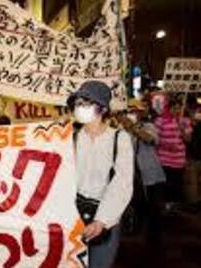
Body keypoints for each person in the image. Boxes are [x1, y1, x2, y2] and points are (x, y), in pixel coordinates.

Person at [67, 81, 134, 268]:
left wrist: (101, 221)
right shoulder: (71, 137)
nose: (80, 108)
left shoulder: (119, 139)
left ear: (102, 109)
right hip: (73, 214)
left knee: (99, 264)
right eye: (78, 104)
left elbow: (122, 182)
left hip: (105, 215)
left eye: (86, 103)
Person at [120, 104, 166, 248]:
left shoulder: (148, 126)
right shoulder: (122, 130)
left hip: (150, 173)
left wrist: (133, 128)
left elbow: (150, 140)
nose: (133, 114)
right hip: (133, 175)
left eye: (136, 112)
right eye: (130, 112)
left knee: (154, 207)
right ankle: (136, 230)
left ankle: (155, 238)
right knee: (138, 204)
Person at [154, 97, 192, 209]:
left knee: (176, 183)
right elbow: (155, 139)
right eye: (174, 108)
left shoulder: (185, 121)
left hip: (179, 159)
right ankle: (164, 204)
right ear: (168, 109)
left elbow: (188, 139)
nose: (177, 111)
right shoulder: (160, 120)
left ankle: (172, 204)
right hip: (164, 159)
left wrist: (182, 129)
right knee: (166, 183)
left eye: (179, 109)